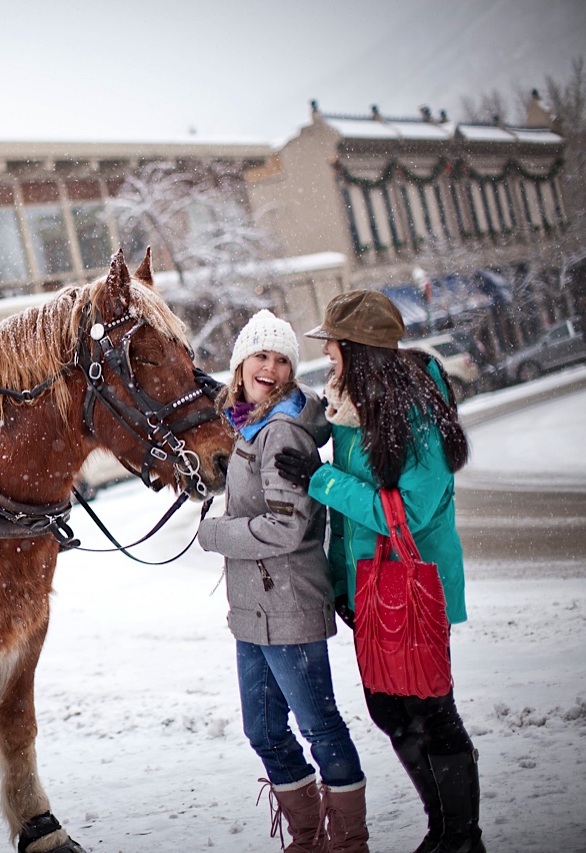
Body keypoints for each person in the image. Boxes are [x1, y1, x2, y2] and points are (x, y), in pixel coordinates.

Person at [275, 290, 484, 853]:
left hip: (414, 583)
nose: (329, 357)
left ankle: (461, 838)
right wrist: (343, 586)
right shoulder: (349, 403)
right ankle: (441, 829)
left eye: (336, 346)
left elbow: (408, 513)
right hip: (370, 587)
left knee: (429, 709)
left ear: (359, 349)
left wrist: (320, 480)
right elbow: (346, 526)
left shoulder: (414, 406)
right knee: (389, 708)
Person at [197, 310, 368, 853]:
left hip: (289, 604)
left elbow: (285, 528)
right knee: (265, 733)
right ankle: (307, 838)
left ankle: (348, 842)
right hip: (254, 609)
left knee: (320, 728)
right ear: (241, 362)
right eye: (260, 356)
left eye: (281, 359)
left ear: (291, 371)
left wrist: (215, 534)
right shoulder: (249, 421)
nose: (269, 367)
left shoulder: (285, 430)